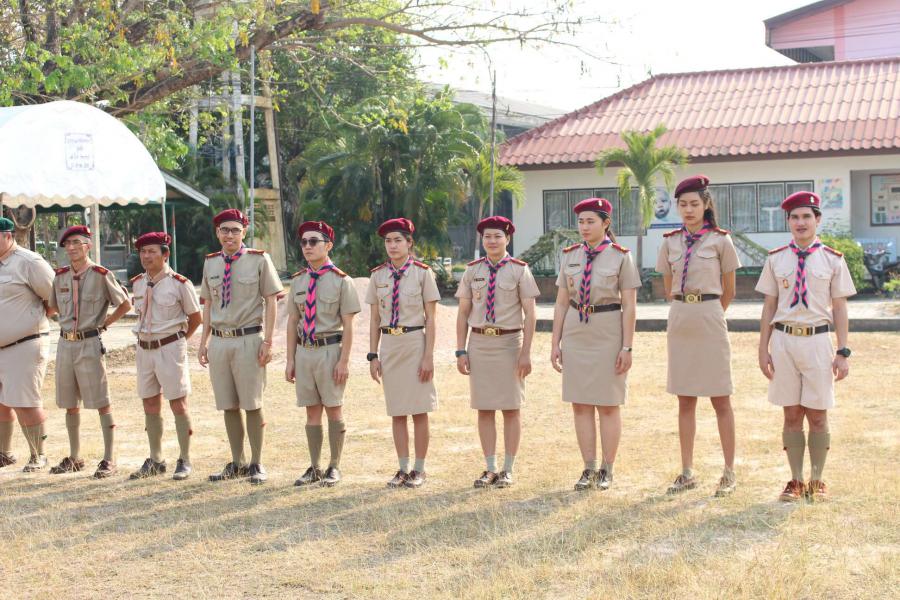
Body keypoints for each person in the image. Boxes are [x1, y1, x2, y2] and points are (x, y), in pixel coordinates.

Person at [756, 191, 856, 502]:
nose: (801, 223)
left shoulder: (832, 259)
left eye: (806, 217)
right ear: (788, 221)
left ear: (817, 220)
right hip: (784, 341)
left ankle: (817, 479)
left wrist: (843, 351)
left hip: (817, 341)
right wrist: (763, 348)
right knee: (791, 413)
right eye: (795, 217)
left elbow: (839, 307)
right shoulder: (776, 258)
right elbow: (769, 306)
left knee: (817, 414)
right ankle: (796, 480)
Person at [655, 175, 740, 497]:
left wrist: (711, 311)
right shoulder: (670, 241)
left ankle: (729, 471)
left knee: (721, 398)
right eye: (683, 204)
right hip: (681, 318)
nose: (688, 210)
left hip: (710, 315)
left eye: (694, 203)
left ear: (706, 205)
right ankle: (687, 471)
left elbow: (729, 289)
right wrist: (687, 307)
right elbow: (668, 286)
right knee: (685, 399)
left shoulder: (721, 241)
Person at [551, 198, 640, 491]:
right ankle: (588, 468)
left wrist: (627, 347)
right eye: (581, 222)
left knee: (608, 404)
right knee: (580, 403)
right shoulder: (570, 256)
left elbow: (629, 305)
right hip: (576, 331)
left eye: (591, 221)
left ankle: (607, 469)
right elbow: (561, 302)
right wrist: (555, 342)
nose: (584, 227)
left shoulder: (621, 257)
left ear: (606, 223)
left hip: (608, 331)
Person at [199, 209, 282, 485]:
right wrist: (204, 342)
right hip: (220, 341)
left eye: (235, 230)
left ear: (244, 232)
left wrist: (268, 341)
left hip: (248, 339)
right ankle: (237, 462)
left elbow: (272, 300)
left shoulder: (259, 260)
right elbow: (208, 304)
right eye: (225, 230)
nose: (230, 235)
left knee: (252, 403)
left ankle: (256, 462)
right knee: (228, 404)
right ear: (217, 233)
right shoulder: (211, 263)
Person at [456, 216, 539, 489]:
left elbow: (530, 314)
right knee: (484, 408)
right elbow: (463, 313)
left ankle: (508, 469)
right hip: (480, 343)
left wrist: (526, 352)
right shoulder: (472, 271)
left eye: (497, 236)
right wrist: (461, 350)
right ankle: (490, 467)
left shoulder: (519, 270)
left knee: (511, 408)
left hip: (509, 343)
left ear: (508, 239)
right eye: (487, 237)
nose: (492, 241)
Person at [48, 225, 131, 479]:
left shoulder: (101, 274)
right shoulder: (60, 276)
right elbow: (52, 307)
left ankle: (109, 458)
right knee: (69, 403)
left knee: (101, 401)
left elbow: (125, 304)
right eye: (67, 244)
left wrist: (105, 323)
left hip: (89, 343)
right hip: (65, 345)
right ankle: (75, 457)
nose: (72, 248)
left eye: (76, 242)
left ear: (88, 245)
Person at [365, 218, 440, 489]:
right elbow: (375, 319)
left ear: (409, 243)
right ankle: (402, 467)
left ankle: (419, 469)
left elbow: (431, 319)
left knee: (419, 410)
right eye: (388, 241)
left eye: (398, 240)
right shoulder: (378, 276)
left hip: (414, 342)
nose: (392, 245)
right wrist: (373, 355)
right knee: (397, 411)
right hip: (390, 345)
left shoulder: (422, 273)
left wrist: (428, 356)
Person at [286, 220, 361, 488]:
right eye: (304, 242)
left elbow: (349, 325)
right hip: (305, 351)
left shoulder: (342, 281)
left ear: (328, 245)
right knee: (311, 411)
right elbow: (292, 322)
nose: (307, 246)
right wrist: (290, 359)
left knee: (334, 409)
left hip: (329, 350)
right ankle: (315, 466)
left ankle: (334, 466)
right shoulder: (298, 281)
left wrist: (344, 361)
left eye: (313, 241)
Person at [129, 232, 202, 481]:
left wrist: (179, 340)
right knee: (149, 403)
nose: (146, 256)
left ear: (165, 254)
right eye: (142, 252)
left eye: (152, 251)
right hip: (144, 348)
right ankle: (156, 459)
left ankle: (185, 459)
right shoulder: (138, 283)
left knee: (178, 403)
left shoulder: (180, 284)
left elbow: (196, 318)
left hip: (169, 347)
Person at [0, 216, 55, 472]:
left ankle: (38, 455)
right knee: (2, 401)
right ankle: (4, 453)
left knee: (25, 401)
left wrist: (29, 320)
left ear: (8, 236)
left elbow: (54, 298)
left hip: (25, 343)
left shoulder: (29, 262)